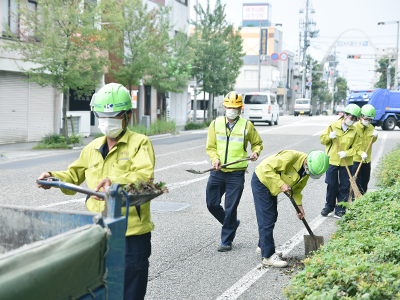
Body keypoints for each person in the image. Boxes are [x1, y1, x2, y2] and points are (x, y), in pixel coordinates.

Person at [36, 83, 155, 300]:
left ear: (128, 115)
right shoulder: (92, 148)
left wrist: (115, 182)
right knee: (97, 290)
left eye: (115, 115)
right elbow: (73, 174)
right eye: (102, 115)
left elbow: (144, 178)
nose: (107, 121)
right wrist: (52, 178)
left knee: (130, 293)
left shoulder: (140, 144)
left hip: (131, 233)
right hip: (98, 231)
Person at [206, 91, 263, 252]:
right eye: (229, 107)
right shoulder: (215, 124)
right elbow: (210, 147)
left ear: (240, 108)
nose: (232, 109)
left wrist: (255, 153)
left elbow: (257, 143)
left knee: (230, 207)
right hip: (218, 171)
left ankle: (226, 241)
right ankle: (231, 222)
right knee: (211, 204)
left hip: (236, 173)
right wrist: (215, 158)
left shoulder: (247, 125)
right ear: (224, 107)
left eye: (235, 107)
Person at [252, 150, 329, 267]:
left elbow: (296, 191)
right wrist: (281, 183)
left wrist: (299, 207)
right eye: (310, 171)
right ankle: (267, 255)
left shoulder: (305, 172)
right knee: (266, 217)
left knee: (272, 216)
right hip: (262, 181)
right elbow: (267, 168)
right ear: (307, 162)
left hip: (271, 186)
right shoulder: (290, 157)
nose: (309, 173)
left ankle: (263, 245)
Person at [320, 103, 361, 219]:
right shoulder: (333, 126)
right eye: (352, 118)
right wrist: (330, 137)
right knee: (331, 185)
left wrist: (346, 153)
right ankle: (329, 207)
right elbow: (322, 140)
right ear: (345, 115)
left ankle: (340, 209)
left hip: (346, 162)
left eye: (355, 119)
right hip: (332, 161)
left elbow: (356, 147)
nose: (353, 121)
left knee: (344, 186)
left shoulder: (354, 129)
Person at [352, 104, 378, 194]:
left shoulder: (371, 128)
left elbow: (371, 141)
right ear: (361, 116)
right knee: (356, 183)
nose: (368, 121)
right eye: (366, 118)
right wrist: (360, 153)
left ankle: (362, 201)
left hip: (367, 160)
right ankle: (356, 201)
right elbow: (352, 144)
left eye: (370, 119)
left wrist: (375, 136)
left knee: (365, 182)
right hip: (356, 160)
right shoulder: (354, 127)